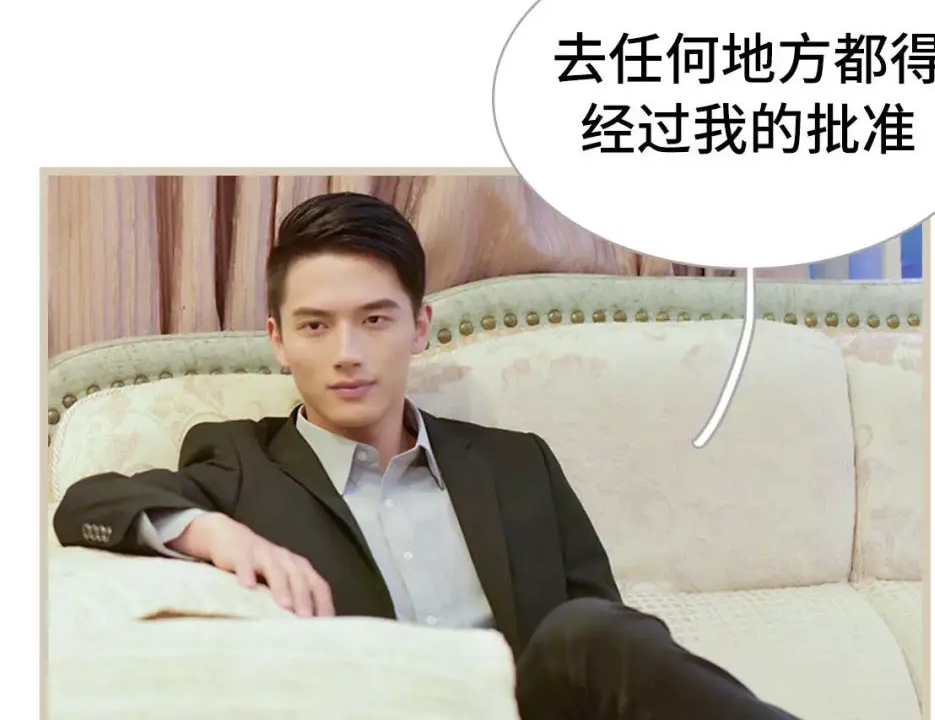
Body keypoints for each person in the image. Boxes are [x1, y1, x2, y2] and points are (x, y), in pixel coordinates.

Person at [53, 192, 802, 720]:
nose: (347, 353)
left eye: (375, 319)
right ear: (277, 340)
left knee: (592, 633)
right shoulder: (239, 460)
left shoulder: (517, 465)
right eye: (315, 326)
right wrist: (214, 532)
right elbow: (86, 504)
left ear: (418, 326)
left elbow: (605, 640)